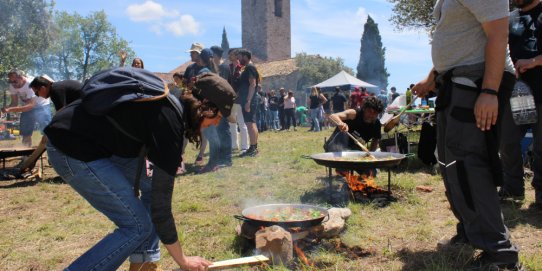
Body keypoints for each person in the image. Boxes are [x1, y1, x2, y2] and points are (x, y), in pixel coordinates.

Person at [44, 68, 212, 271]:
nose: (217, 124)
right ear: (207, 110)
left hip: (88, 141)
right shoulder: (171, 125)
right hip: (71, 149)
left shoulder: (168, 103)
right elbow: (161, 208)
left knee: (150, 186)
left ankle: (143, 262)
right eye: (220, 116)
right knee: (137, 226)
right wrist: (183, 260)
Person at [411, 1, 522, 269]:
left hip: (478, 81)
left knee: (469, 164)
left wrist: (489, 92)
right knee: (450, 162)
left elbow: (498, 33)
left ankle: (500, 253)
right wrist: (432, 77)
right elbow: (461, 38)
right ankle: (472, 231)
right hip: (456, 80)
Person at [500, 0, 542, 208]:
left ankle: (541, 194)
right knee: (507, 141)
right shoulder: (509, 18)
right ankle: (513, 188)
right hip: (517, 91)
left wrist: (533, 62)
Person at [5, 69, 52, 147]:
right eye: (10, 81)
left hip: (42, 105)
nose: (13, 84)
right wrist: (5, 110)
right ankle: (25, 153)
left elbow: (31, 105)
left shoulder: (29, 83)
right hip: (27, 107)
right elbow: (14, 103)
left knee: (46, 130)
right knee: (25, 131)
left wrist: (10, 109)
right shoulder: (12, 85)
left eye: (14, 81)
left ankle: (52, 150)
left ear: (21, 77)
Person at [237, 49, 260, 157]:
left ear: (245, 56)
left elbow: (253, 84)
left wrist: (248, 101)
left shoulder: (250, 67)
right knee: (252, 123)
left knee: (250, 124)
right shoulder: (248, 67)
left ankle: (253, 148)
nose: (238, 59)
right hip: (249, 99)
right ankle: (254, 147)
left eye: (240, 56)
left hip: (249, 99)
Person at [227, 48, 249, 152]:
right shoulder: (229, 67)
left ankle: (245, 146)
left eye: (231, 54)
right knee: (232, 123)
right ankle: (234, 145)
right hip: (230, 99)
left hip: (240, 99)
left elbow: (244, 84)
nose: (229, 56)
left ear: (236, 56)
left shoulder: (242, 68)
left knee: (241, 122)